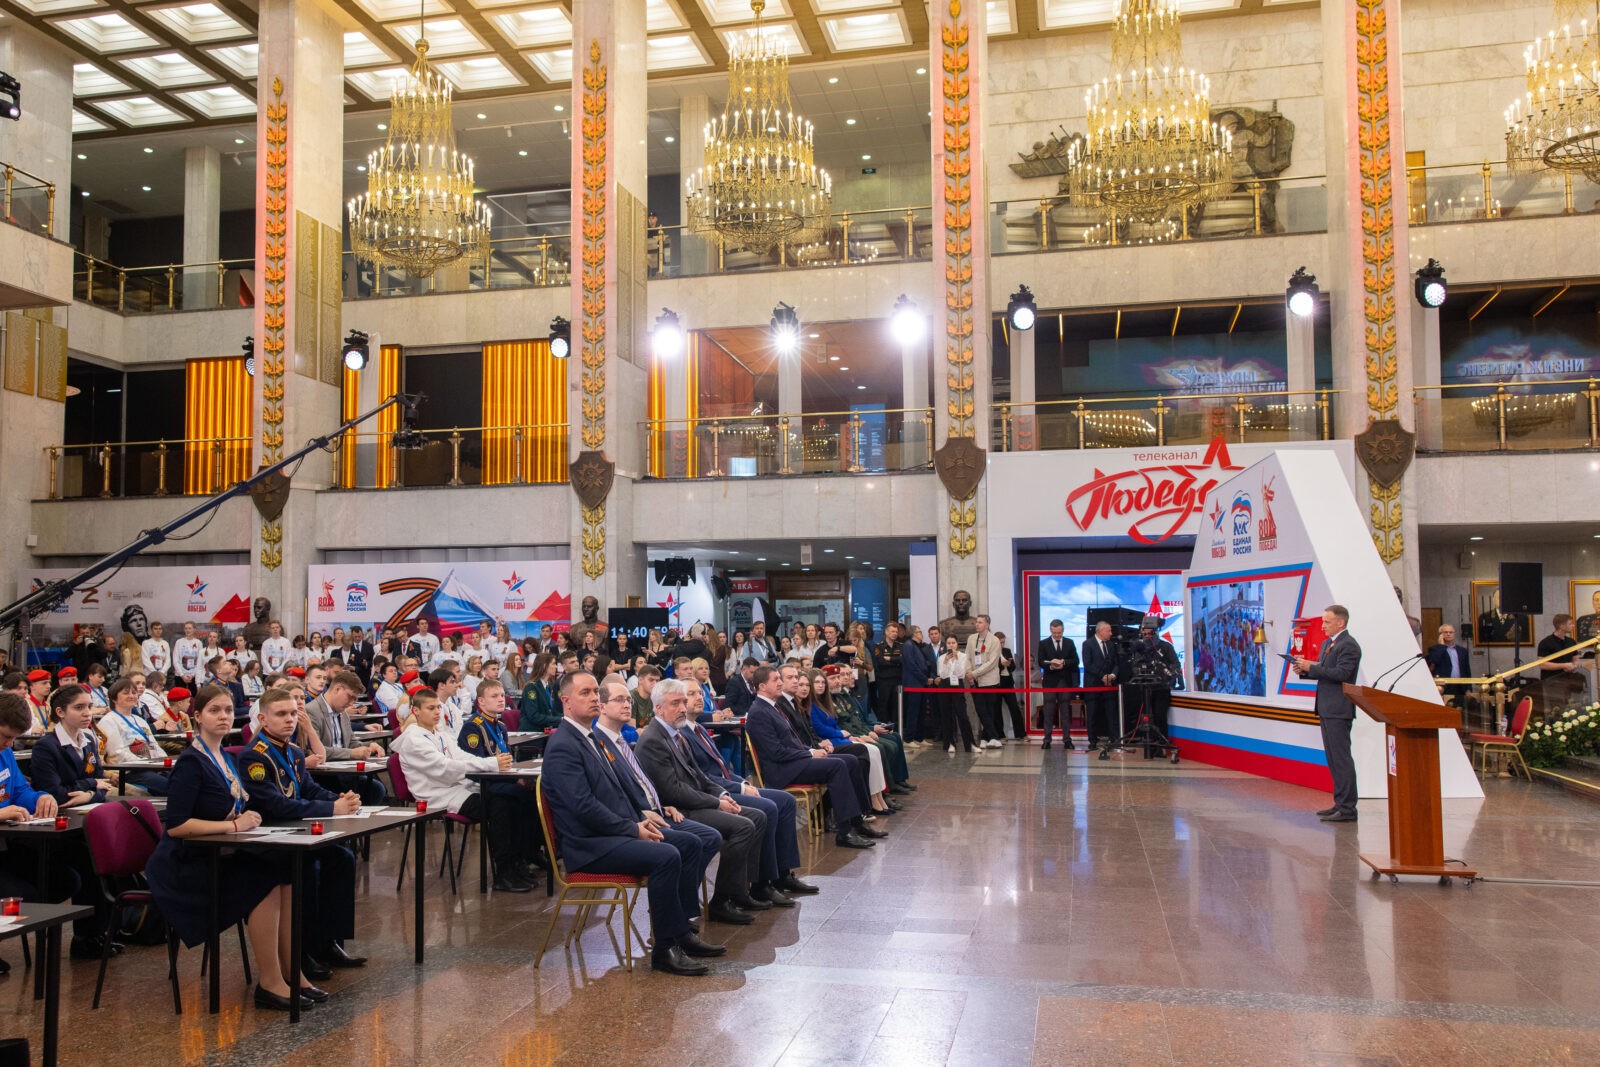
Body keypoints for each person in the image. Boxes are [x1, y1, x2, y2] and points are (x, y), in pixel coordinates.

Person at [144, 685, 317, 1011]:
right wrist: (233, 826)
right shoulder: (191, 762)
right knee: (265, 877)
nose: (224, 717)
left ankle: (292, 972)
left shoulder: (224, 757)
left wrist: (242, 819)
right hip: (185, 864)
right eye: (214, 711)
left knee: (284, 870)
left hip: (219, 850)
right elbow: (178, 825)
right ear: (197, 717)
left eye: (227, 710)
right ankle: (270, 981)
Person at [541, 670, 724, 975]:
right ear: (566, 701)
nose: (594, 698)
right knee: (667, 856)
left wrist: (641, 816)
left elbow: (616, 792)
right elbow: (582, 806)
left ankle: (680, 930)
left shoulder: (589, 737)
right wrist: (632, 828)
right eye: (585, 693)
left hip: (611, 832)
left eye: (595, 692)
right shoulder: (563, 744)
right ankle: (664, 950)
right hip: (590, 845)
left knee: (690, 843)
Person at [620, 678, 771, 925]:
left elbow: (700, 776)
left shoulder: (676, 734)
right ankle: (722, 900)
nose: (682, 708)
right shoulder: (653, 739)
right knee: (743, 826)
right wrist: (715, 803)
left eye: (683, 702)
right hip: (678, 809)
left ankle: (740, 891)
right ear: (659, 709)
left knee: (757, 815)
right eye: (675, 703)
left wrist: (722, 795)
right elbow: (673, 791)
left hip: (692, 802)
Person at [237, 689, 367, 975]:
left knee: (341, 859)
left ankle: (329, 942)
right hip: (268, 837)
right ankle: (301, 949)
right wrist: (332, 809)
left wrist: (339, 799)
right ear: (263, 719)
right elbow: (276, 804)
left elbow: (308, 788)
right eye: (281, 714)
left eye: (293, 713)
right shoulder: (253, 756)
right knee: (307, 867)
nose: (290, 720)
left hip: (295, 830)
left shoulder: (294, 751)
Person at [0, 691, 121, 962]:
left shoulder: (5, 753)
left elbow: (20, 791)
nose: (9, 744)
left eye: (13, 738)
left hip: (9, 845)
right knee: (27, 892)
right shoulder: (47, 746)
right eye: (5, 736)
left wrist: (41, 798)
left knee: (68, 877)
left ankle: (91, 936)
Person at [670, 691, 817, 900]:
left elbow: (723, 768)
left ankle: (783, 874)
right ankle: (761, 883)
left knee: (786, 801)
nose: (698, 697)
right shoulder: (681, 734)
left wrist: (743, 782)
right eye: (690, 694)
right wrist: (738, 788)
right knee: (767, 807)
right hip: (714, 792)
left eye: (699, 693)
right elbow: (703, 777)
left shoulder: (699, 728)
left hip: (727, 785)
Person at [393, 686, 540, 893]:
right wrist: (491, 764)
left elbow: (462, 756)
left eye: (438, 707)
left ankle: (518, 862)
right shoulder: (414, 740)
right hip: (437, 795)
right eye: (430, 708)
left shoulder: (439, 734)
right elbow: (445, 767)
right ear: (416, 711)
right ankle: (503, 872)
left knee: (512, 798)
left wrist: (490, 763)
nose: (437, 712)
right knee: (499, 805)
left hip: (457, 788)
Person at [745, 665, 879, 849]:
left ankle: (857, 821)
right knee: (838, 765)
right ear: (762, 686)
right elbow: (775, 752)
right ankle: (845, 832)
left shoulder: (773, 707)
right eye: (776, 680)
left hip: (793, 761)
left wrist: (811, 749)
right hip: (782, 770)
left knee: (851, 760)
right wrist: (809, 753)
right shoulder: (759, 712)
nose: (780, 683)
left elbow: (794, 741)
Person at [1292, 605, 1362, 823]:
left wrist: (1311, 668)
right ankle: (1339, 803)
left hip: (1339, 709)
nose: (1322, 626)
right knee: (1333, 759)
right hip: (1326, 707)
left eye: (1327, 622)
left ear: (1341, 622)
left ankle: (1348, 808)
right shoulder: (1327, 644)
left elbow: (1342, 673)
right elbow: (1325, 670)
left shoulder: (1348, 645)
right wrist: (1305, 671)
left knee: (1341, 759)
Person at [304, 671, 386, 805]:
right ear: (337, 689)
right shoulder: (312, 711)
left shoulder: (342, 713)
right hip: (324, 775)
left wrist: (369, 747)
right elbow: (316, 751)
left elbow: (351, 742)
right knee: (373, 789)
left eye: (355, 699)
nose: (351, 703)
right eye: (350, 697)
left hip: (345, 771)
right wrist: (351, 753)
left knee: (376, 788)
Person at [31, 684, 112, 805]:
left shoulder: (88, 740)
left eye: (89, 706)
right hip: (61, 811)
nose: (87, 713)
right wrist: (92, 783)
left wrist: (89, 796)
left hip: (89, 805)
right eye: (79, 707)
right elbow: (54, 793)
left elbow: (103, 784)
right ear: (60, 712)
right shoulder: (45, 746)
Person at [98, 676, 170, 795]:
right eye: (126, 693)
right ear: (114, 698)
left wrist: (164, 762)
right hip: (129, 771)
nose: (131, 696)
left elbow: (154, 745)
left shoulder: (140, 720)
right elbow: (118, 754)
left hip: (151, 766)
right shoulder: (109, 721)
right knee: (168, 785)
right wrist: (148, 764)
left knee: (180, 778)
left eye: (134, 692)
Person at [1037, 618, 1080, 750]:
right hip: (1050, 682)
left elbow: (1076, 661)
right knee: (1048, 712)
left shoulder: (1069, 642)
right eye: (1054, 633)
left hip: (1064, 682)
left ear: (1063, 630)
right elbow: (1040, 661)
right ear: (1050, 630)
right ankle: (1047, 740)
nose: (1057, 635)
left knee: (1065, 712)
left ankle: (1067, 740)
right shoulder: (1043, 643)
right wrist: (1051, 665)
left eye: (1059, 633)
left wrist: (1064, 663)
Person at [963, 614, 1004, 748]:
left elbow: (992, 663)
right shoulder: (971, 638)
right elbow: (967, 658)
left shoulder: (994, 640)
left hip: (990, 681)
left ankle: (990, 737)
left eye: (980, 622)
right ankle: (990, 737)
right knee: (980, 710)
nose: (977, 624)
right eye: (976, 622)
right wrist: (969, 673)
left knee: (989, 711)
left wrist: (974, 673)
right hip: (974, 681)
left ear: (987, 625)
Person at [935, 634, 977, 755]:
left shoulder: (963, 656)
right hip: (944, 685)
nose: (951, 645)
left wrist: (956, 659)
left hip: (957, 684)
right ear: (946, 645)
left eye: (953, 643)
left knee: (962, 715)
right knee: (946, 715)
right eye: (949, 643)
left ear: (957, 644)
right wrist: (946, 661)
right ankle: (950, 743)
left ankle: (970, 744)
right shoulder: (941, 658)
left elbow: (961, 673)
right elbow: (942, 674)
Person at [1082, 622, 1121, 753]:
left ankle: (1114, 739)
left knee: (1111, 712)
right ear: (1101, 631)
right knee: (1092, 713)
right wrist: (1102, 676)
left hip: (1109, 685)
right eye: (1109, 631)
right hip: (1093, 684)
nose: (1111, 633)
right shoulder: (1087, 644)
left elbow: (1116, 663)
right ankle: (1093, 741)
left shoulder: (1111, 645)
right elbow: (1088, 664)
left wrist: (1112, 675)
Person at [1537, 614, 1587, 712]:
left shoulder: (1571, 642)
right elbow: (1542, 664)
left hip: (1568, 681)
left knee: (1570, 707)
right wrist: (1563, 665)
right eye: (1570, 623)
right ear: (1561, 626)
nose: (1573, 625)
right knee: (1557, 708)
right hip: (1552, 681)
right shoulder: (1546, 642)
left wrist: (1574, 665)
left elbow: (1575, 658)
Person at [1425, 624, 1473, 704]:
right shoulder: (1435, 649)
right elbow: (1434, 661)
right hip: (1443, 686)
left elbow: (1467, 670)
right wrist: (1441, 646)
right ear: (1440, 635)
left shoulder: (1462, 651)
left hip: (1460, 686)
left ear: (1454, 634)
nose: (1448, 634)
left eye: (1451, 632)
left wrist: (1469, 688)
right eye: (1445, 632)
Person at [992, 631, 1027, 740]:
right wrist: (1003, 665)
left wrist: (1009, 664)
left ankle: (1021, 734)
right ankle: (1000, 735)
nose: (1002, 644)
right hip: (997, 683)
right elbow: (992, 668)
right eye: (1000, 642)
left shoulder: (1007, 651)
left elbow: (1013, 667)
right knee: (997, 710)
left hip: (1008, 682)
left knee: (1014, 708)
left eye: (1003, 642)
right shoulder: (991, 652)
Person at [519, 653, 561, 731]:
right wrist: (560, 720)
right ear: (544, 666)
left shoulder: (548, 686)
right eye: (553, 664)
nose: (556, 666)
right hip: (532, 732)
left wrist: (567, 718)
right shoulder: (531, 687)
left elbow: (552, 711)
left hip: (544, 730)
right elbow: (534, 716)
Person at [173, 621, 205, 689]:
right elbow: (175, 660)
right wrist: (182, 675)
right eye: (186, 628)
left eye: (190, 628)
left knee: (194, 695)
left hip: (194, 676)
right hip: (180, 675)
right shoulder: (179, 642)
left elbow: (199, 661)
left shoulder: (198, 643)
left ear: (194, 629)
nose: (187, 630)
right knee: (180, 695)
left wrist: (192, 675)